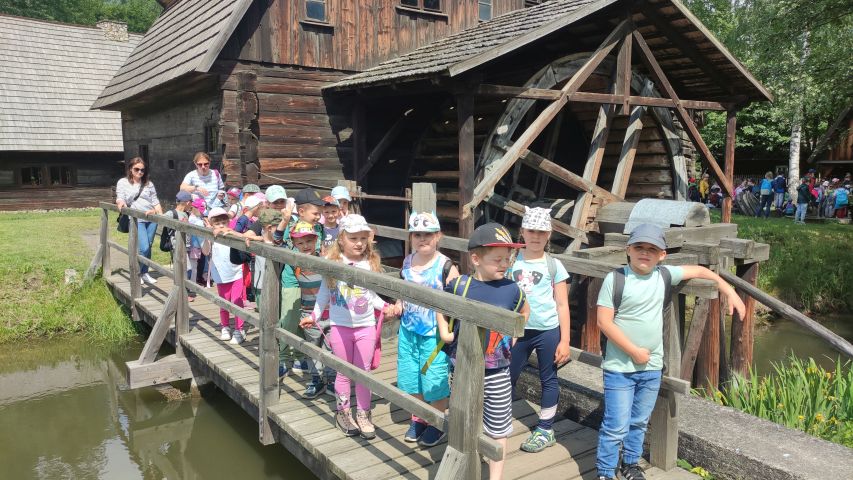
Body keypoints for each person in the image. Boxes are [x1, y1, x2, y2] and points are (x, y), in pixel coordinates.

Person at [594, 224, 745, 480]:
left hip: (651, 368)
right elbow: (603, 322)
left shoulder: (664, 275)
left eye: (652, 249)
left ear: (662, 255)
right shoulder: (616, 279)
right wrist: (633, 351)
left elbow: (700, 270)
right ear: (628, 250)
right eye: (639, 247)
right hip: (619, 368)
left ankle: (630, 464)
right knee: (615, 425)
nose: (645, 253)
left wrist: (729, 290)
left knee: (639, 421)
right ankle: (606, 471)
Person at [438, 223, 530, 480]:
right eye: (497, 260)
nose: (504, 264)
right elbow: (440, 306)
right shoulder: (460, 285)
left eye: (507, 259)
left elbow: (525, 312)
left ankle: (495, 476)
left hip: (498, 369)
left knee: (499, 426)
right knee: (464, 419)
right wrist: (444, 333)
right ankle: (466, 461)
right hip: (463, 367)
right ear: (476, 259)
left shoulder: (512, 289)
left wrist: (514, 333)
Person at [302, 214, 393, 439]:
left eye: (363, 238)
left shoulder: (370, 263)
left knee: (363, 373)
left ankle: (363, 413)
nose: (359, 243)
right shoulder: (332, 262)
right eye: (353, 238)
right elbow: (324, 293)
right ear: (341, 239)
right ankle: (343, 413)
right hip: (340, 326)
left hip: (365, 326)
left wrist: (385, 306)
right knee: (343, 372)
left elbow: (371, 296)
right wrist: (314, 315)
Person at [391, 211, 459, 447]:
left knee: (434, 379)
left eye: (428, 234)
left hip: (434, 334)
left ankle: (437, 422)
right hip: (409, 329)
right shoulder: (407, 261)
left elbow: (456, 302)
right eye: (417, 234)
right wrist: (399, 302)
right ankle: (419, 417)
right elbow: (403, 289)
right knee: (411, 376)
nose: (422, 239)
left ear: (438, 236)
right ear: (411, 237)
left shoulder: (446, 266)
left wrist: (449, 332)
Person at [507, 207, 571, 453]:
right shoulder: (511, 260)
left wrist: (565, 340)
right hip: (517, 329)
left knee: (548, 378)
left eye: (542, 232)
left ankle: (545, 429)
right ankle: (498, 418)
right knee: (507, 375)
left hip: (547, 330)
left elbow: (562, 304)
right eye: (531, 231)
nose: (536, 236)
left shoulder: (554, 265)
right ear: (522, 231)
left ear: (549, 235)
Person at [274, 188, 326, 378]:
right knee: (289, 320)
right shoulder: (292, 227)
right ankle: (282, 359)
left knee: (305, 319)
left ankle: (299, 356)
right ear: (301, 211)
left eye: (319, 213)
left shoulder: (318, 229)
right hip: (293, 280)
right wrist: (284, 220)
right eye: (315, 213)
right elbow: (277, 241)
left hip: (312, 281)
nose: (318, 217)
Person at [290, 221, 336, 399]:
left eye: (309, 241)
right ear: (294, 244)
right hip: (308, 312)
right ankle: (317, 380)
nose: (305, 246)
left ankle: (331, 379)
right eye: (300, 243)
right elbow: (275, 244)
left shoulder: (325, 261)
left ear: (316, 240)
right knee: (312, 347)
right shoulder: (294, 262)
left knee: (332, 347)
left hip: (329, 312)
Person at [115, 156, 163, 285]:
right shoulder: (123, 182)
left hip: (152, 218)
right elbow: (120, 197)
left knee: (149, 246)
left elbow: (155, 201)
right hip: (136, 219)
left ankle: (145, 272)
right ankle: (137, 273)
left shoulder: (148, 184)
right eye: (137, 169)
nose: (140, 172)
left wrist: (160, 215)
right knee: (144, 247)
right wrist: (120, 203)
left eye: (142, 170)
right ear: (131, 169)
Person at [206, 207, 247, 345]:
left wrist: (232, 232)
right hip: (220, 274)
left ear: (228, 222)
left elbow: (243, 238)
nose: (221, 226)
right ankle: (225, 326)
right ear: (211, 224)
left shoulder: (231, 233)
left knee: (237, 301)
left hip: (236, 272)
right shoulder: (212, 236)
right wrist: (208, 237)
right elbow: (205, 251)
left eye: (223, 222)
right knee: (223, 302)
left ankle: (239, 329)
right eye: (217, 223)